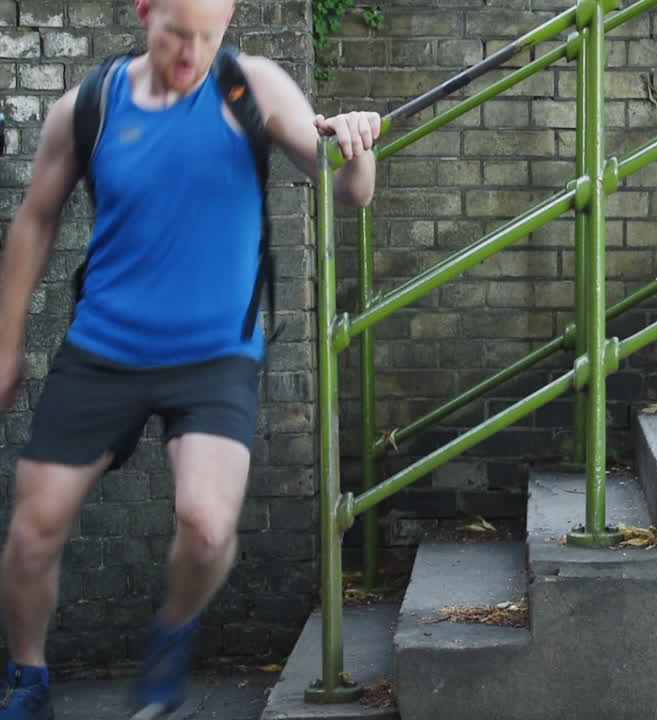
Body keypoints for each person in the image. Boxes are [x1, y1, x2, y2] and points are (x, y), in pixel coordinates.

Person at [0, 0, 381, 717]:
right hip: (104, 349)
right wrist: (6, 342)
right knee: (30, 533)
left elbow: (343, 188)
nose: (192, 56)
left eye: (210, 37)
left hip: (214, 358)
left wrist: (358, 146)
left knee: (207, 527)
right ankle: (28, 680)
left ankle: (172, 639)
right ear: (144, 12)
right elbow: (36, 218)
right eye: (178, 35)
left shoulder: (254, 86)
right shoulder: (89, 105)